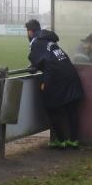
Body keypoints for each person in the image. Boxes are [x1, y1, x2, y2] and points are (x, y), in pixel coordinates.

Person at [26, 19, 84, 149]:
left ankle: (60, 140)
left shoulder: (36, 42)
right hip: (70, 74)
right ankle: (73, 140)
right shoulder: (50, 41)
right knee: (72, 110)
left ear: (30, 31)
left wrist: (41, 77)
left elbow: (38, 61)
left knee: (52, 109)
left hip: (56, 78)